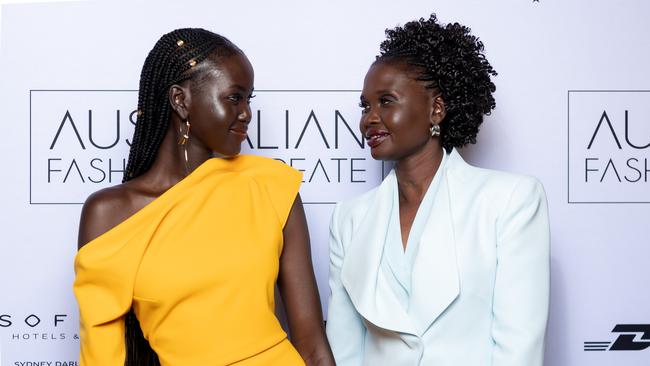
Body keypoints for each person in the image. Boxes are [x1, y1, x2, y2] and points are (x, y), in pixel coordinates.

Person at [73, 28, 334, 366]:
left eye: (249, 100)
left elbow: (313, 346)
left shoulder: (271, 186)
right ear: (181, 100)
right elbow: (101, 355)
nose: (246, 113)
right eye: (234, 97)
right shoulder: (109, 214)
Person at [326, 14, 550, 366]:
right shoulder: (349, 219)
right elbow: (344, 347)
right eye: (365, 105)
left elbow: (518, 348)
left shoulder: (510, 201)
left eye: (387, 101)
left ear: (436, 109)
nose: (369, 118)